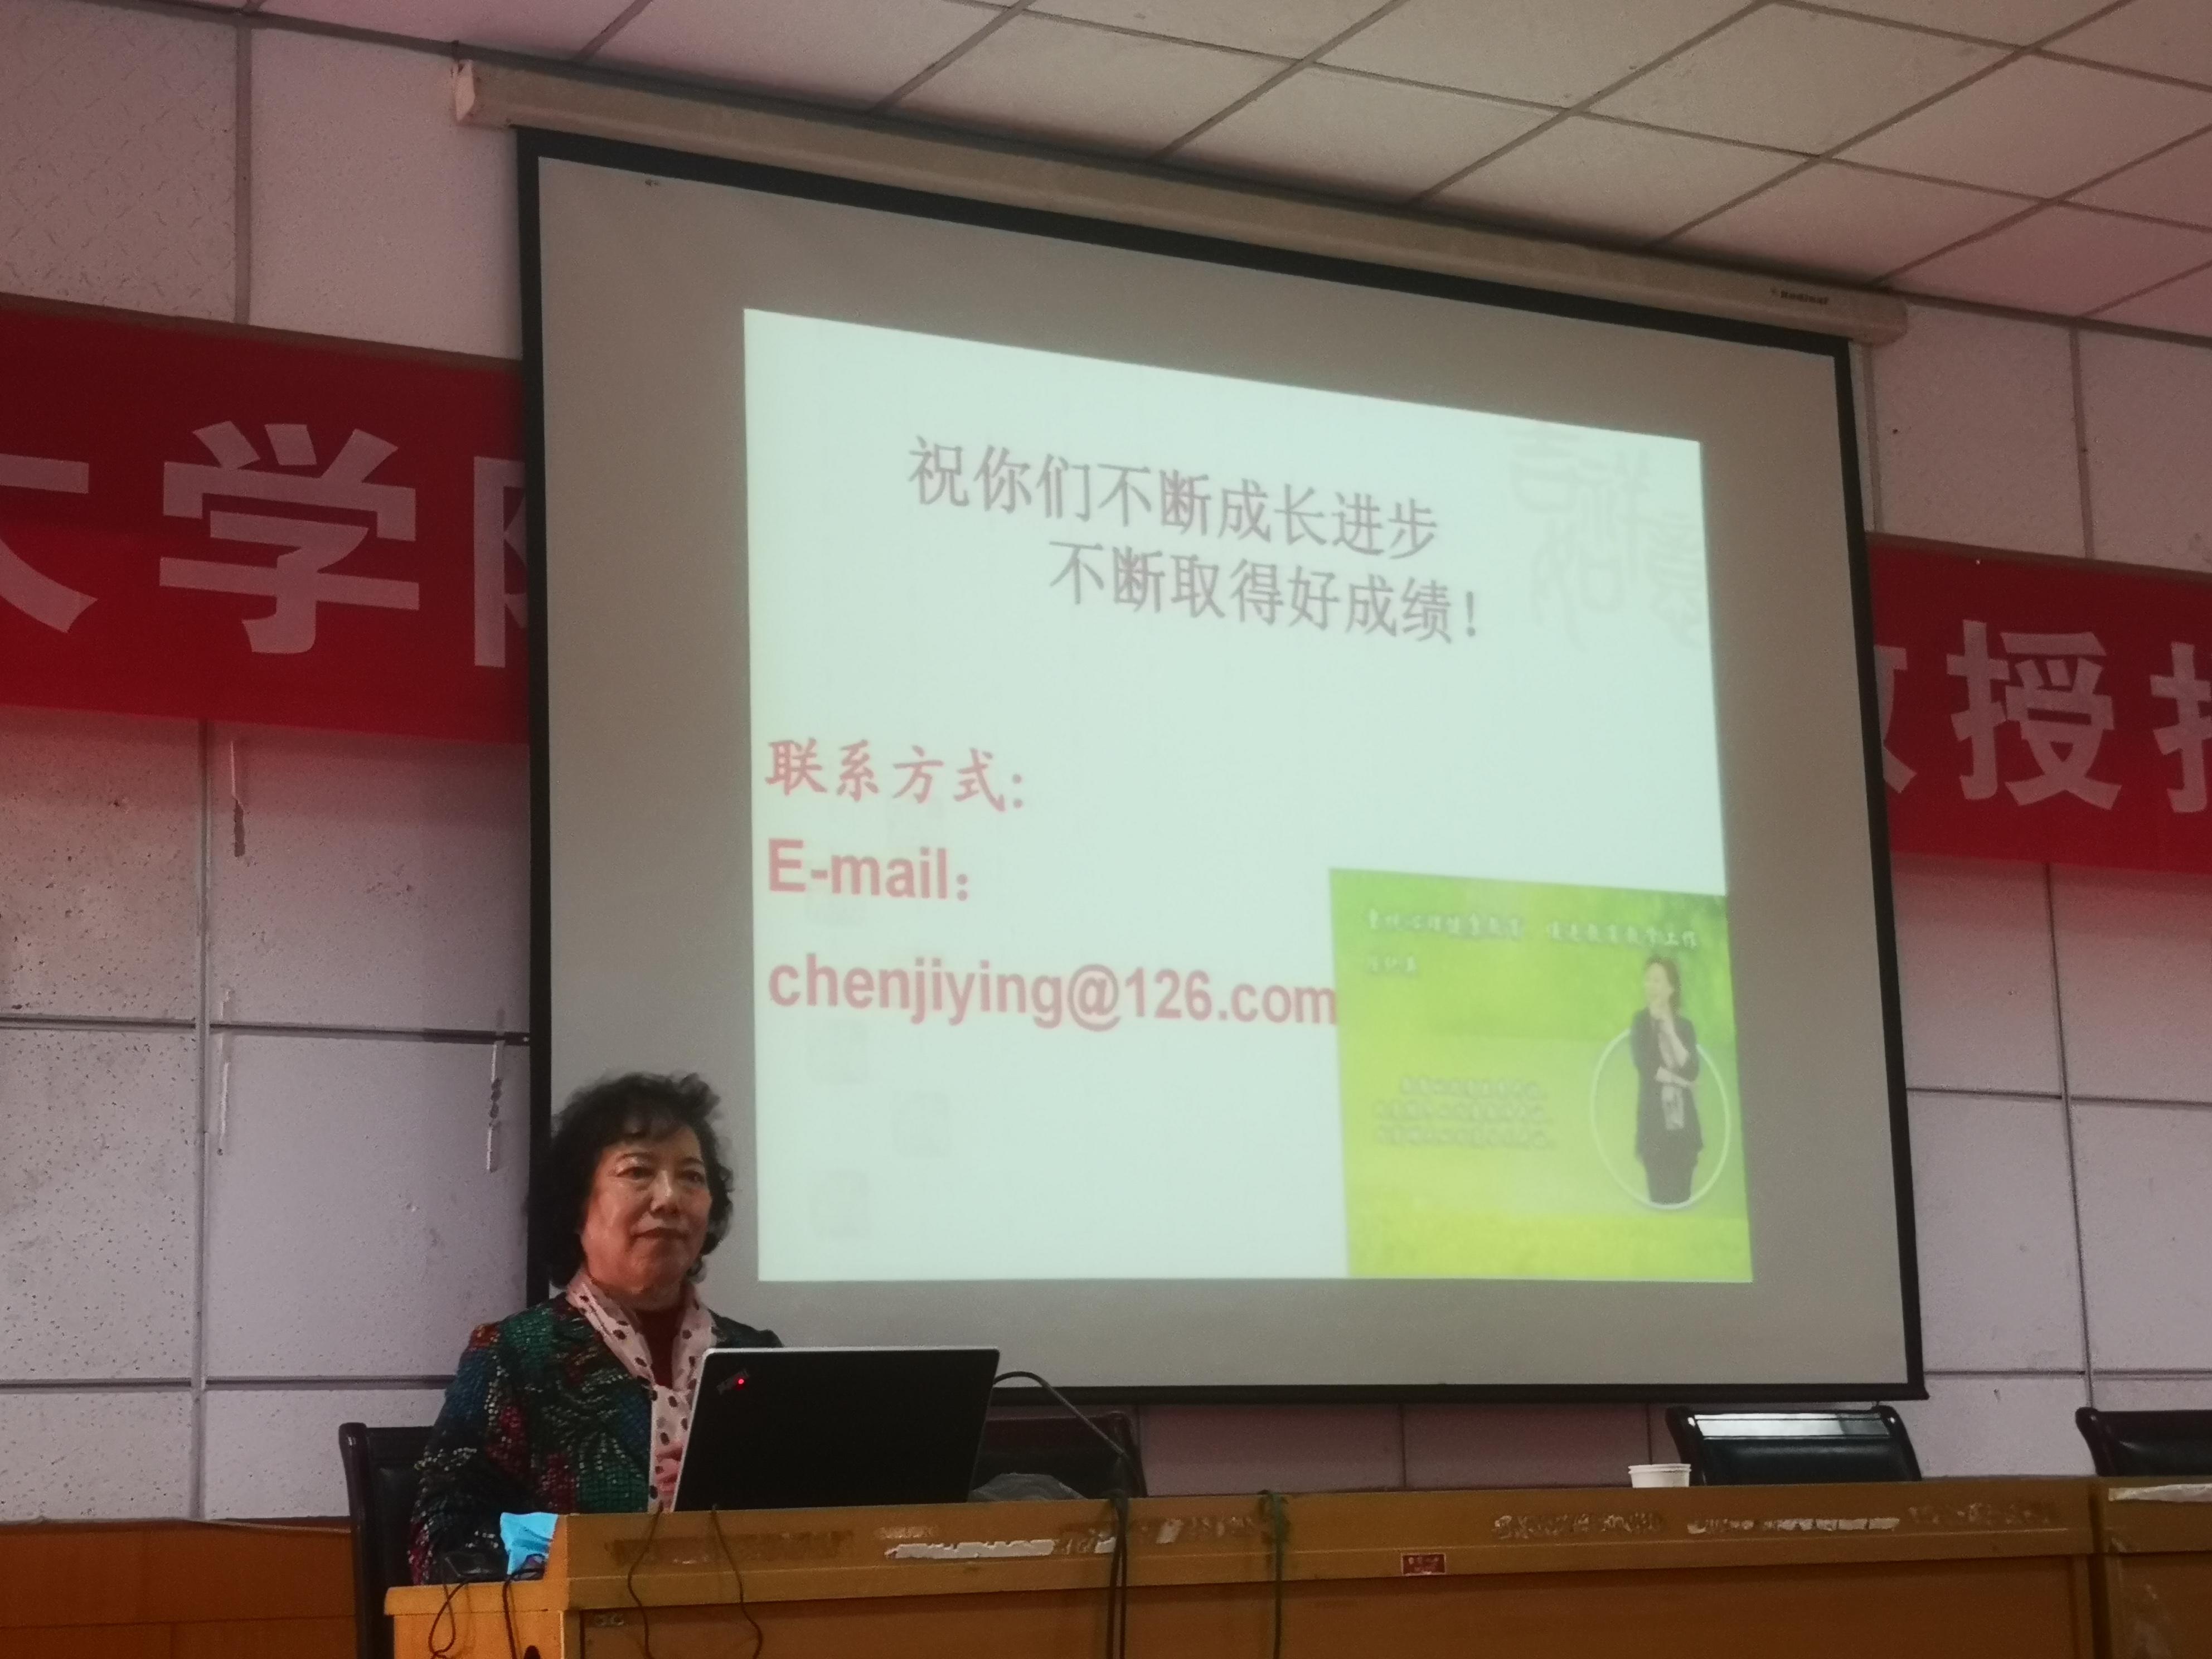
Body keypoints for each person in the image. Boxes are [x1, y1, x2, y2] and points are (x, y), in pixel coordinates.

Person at [409, 1072, 779, 1582]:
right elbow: (440, 1543)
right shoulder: (515, 1356)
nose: (670, 1198)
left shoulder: (755, 1357)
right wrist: (606, 1542)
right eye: (638, 1172)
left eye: (692, 1177)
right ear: (577, 1204)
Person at [1629, 956, 1702, 1206]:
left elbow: (1691, 1070)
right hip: (1654, 1127)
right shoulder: (1640, 1022)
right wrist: (1682, 1084)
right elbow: (1647, 1068)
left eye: (1657, 980)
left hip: (1683, 1129)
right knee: (1660, 1201)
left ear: (1671, 988)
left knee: (1682, 1199)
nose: (1651, 985)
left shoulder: (1685, 1027)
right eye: (1648, 980)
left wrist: (1670, 1032)